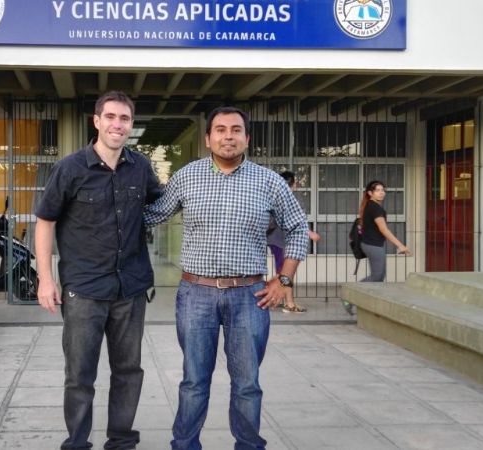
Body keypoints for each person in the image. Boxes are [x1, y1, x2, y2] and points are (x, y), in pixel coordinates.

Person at [144, 106, 309, 450]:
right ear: (208, 139)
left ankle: (249, 446)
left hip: (250, 295)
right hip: (196, 294)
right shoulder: (187, 176)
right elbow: (153, 214)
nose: (228, 136)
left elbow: (297, 229)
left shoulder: (269, 182)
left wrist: (284, 279)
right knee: (193, 381)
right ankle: (185, 446)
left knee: (247, 383)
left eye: (236, 130)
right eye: (220, 129)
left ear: (247, 138)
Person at [34, 91, 162, 450]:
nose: (117, 125)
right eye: (110, 117)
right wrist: (46, 279)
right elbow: (45, 222)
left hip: (130, 290)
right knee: (79, 376)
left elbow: (162, 204)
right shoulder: (71, 168)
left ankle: (121, 440)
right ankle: (77, 442)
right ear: (97, 121)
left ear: (130, 124)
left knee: (128, 372)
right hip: (84, 291)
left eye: (124, 119)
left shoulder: (140, 167)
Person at [266, 170, 321, 313]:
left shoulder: (274, 197)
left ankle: (286, 300)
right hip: (282, 241)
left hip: (275, 240)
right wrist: (310, 233)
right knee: (285, 273)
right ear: (293, 184)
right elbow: (296, 223)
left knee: (285, 273)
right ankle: (287, 302)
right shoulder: (292, 199)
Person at [358, 179, 411, 282]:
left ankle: (361, 294)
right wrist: (400, 245)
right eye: (377, 190)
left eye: (383, 190)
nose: (382, 193)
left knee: (379, 275)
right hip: (373, 245)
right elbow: (383, 229)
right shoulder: (375, 208)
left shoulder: (370, 205)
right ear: (370, 193)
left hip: (372, 244)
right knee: (377, 276)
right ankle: (352, 291)